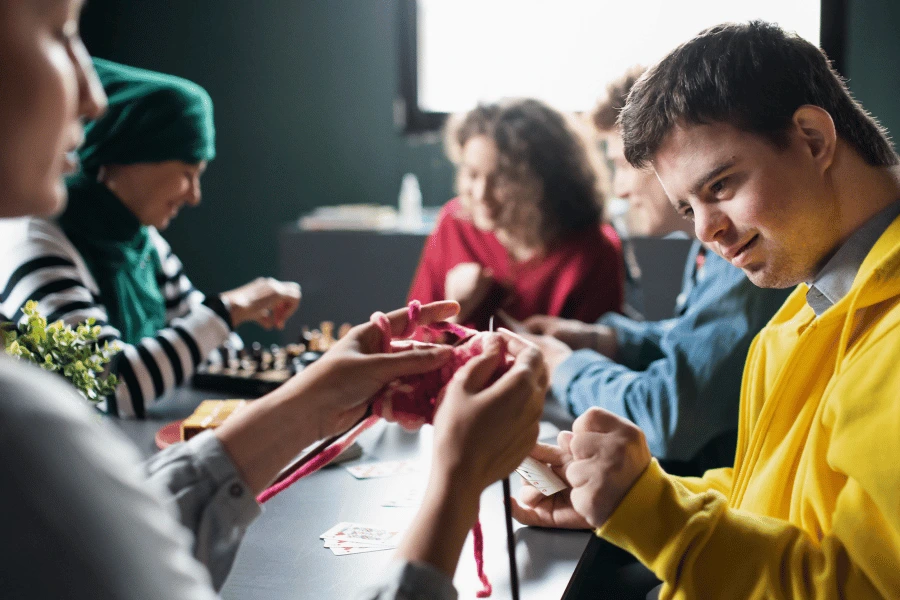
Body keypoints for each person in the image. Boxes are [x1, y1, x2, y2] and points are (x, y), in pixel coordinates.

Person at [0, 2, 547, 599]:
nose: (93, 96)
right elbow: (121, 381)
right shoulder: (25, 429)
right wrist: (456, 480)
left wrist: (311, 398)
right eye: (60, 33)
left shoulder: (140, 247)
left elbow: (130, 537)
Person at [514, 21, 900, 598]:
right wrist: (632, 496)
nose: (708, 231)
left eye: (720, 186)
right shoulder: (816, 294)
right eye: (688, 207)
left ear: (814, 140)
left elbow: (862, 588)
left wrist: (652, 511)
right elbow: (775, 497)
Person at [521, 68, 793, 475]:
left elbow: (668, 416)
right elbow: (697, 344)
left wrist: (563, 366)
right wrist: (606, 340)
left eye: (624, 166)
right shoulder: (706, 250)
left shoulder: (744, 253)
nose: (619, 190)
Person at [0, 57, 302, 418]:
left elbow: (208, 348)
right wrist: (232, 308)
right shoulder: (36, 245)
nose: (194, 195)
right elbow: (109, 386)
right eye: (188, 172)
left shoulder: (143, 242)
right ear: (129, 156)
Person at [407, 98, 624, 331]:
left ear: (543, 181)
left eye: (502, 179)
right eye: (471, 174)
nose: (481, 194)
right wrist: (453, 313)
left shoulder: (593, 251)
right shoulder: (454, 224)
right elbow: (413, 340)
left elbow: (595, 360)